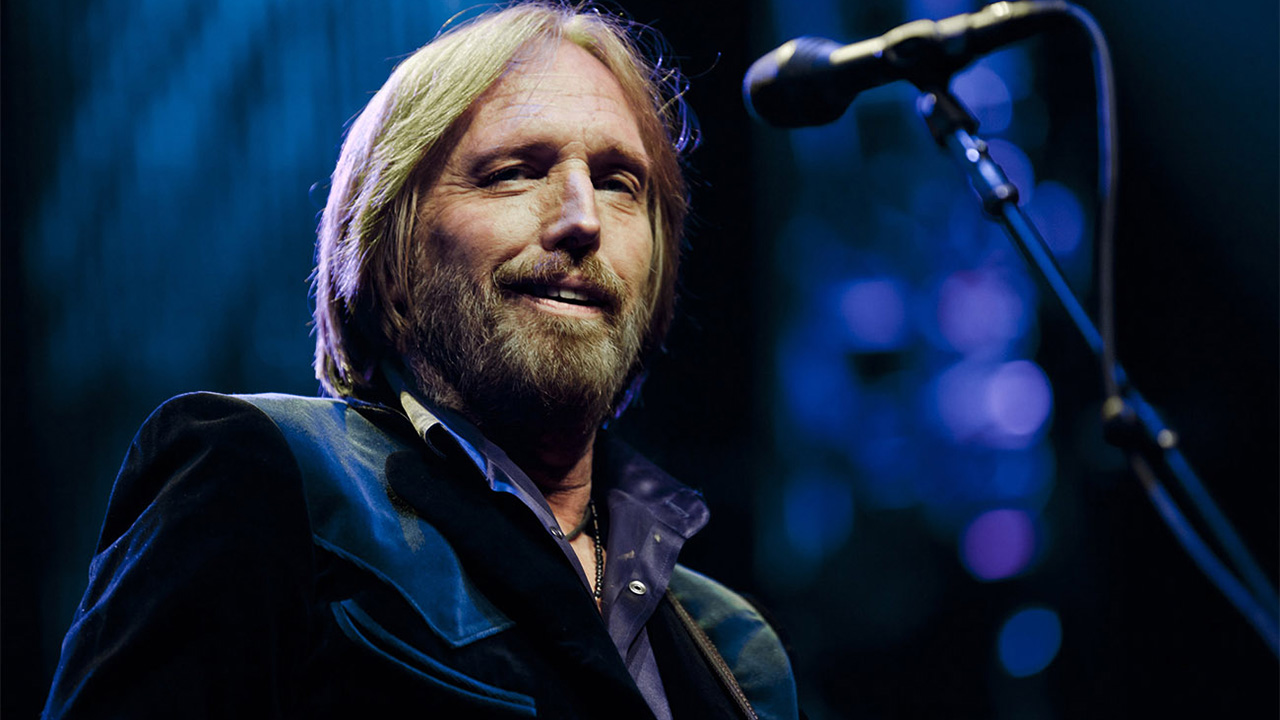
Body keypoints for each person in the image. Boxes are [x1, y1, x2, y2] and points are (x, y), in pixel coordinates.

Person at [43, 3, 798, 718]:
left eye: (617, 183)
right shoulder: (262, 478)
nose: (583, 219)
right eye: (515, 171)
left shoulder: (736, 649)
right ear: (389, 256)